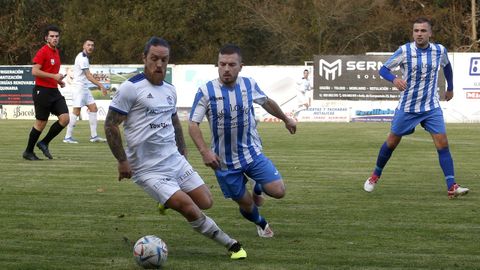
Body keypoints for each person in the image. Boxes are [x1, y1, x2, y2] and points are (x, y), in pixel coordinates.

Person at [104, 37, 246, 260]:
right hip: (148, 170)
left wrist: (182, 150)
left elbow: (174, 121)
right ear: (144, 58)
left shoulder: (170, 90)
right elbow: (111, 124)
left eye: (164, 59)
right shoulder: (130, 89)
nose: (159, 64)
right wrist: (122, 161)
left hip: (174, 161)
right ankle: (232, 245)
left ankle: (166, 201)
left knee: (206, 202)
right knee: (189, 208)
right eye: (154, 59)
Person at [188, 44, 297, 238]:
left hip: (251, 152)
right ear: (218, 65)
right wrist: (205, 151)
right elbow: (193, 124)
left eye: (231, 64)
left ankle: (258, 184)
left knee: (279, 191)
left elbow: (267, 102)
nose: (226, 69)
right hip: (224, 162)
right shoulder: (206, 91)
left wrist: (286, 119)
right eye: (222, 64)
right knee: (247, 205)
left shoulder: (249, 85)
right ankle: (261, 223)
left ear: (241, 66)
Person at [363, 17, 469, 199]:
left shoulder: (439, 50)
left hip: (431, 106)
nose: (419, 34)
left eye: (423, 31)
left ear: (430, 33)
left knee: (443, 143)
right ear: (413, 33)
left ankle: (452, 186)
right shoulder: (404, 50)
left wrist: (450, 87)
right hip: (408, 107)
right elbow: (383, 70)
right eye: (416, 31)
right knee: (391, 143)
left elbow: (448, 67)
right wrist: (394, 79)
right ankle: (375, 176)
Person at [23, 25, 69, 160]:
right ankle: (28, 152)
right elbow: (34, 71)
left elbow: (50, 72)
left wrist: (58, 81)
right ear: (46, 38)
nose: (55, 38)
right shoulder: (43, 51)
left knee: (65, 118)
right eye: (52, 36)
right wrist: (54, 77)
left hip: (54, 91)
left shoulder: (56, 51)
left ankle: (44, 142)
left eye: (57, 36)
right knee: (41, 123)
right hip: (41, 91)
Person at [63, 38, 107, 143]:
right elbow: (88, 76)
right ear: (84, 46)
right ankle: (67, 137)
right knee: (76, 111)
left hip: (84, 88)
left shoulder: (85, 57)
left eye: (92, 45)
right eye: (88, 45)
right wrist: (101, 85)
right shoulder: (82, 58)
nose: (90, 47)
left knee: (93, 108)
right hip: (78, 88)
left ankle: (94, 136)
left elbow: (87, 76)